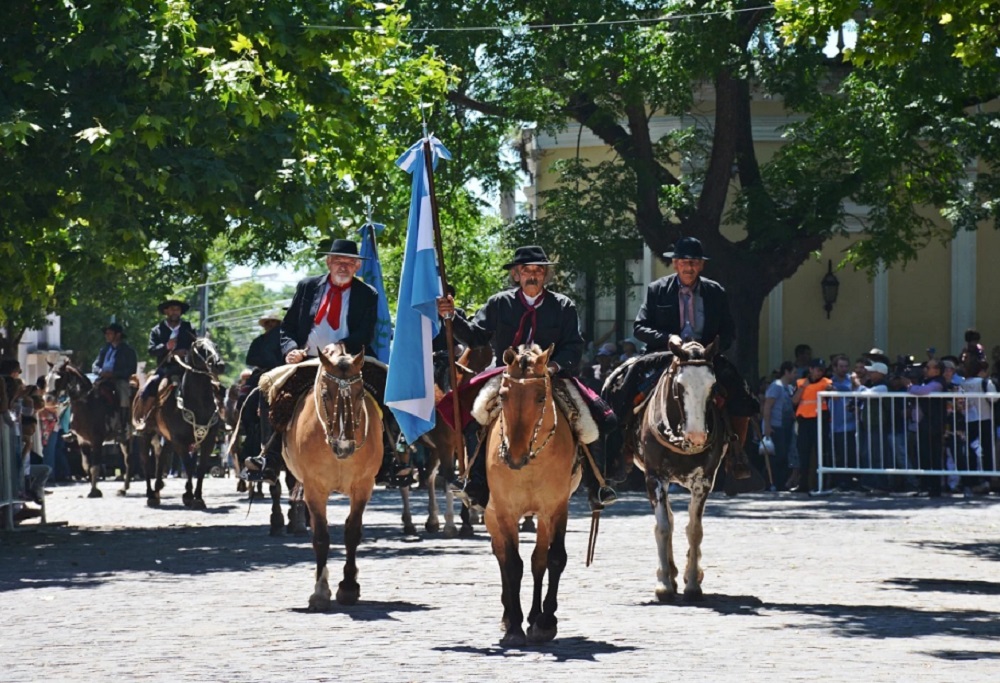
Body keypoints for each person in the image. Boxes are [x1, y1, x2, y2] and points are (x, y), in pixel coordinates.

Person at [436, 245, 616, 508]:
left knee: (591, 417)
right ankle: (475, 483)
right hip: (507, 376)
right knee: (476, 414)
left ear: (545, 275)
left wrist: (553, 367)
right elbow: (476, 336)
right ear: (516, 275)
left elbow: (573, 346)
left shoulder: (563, 306)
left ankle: (596, 485)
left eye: (538, 270)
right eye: (526, 270)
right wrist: (451, 316)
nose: (533, 275)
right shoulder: (499, 303)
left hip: (551, 375)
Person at [244, 239, 379, 484]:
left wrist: (341, 345)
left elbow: (366, 333)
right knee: (266, 387)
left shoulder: (367, 294)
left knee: (387, 387)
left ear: (357, 266)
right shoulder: (307, 287)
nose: (343, 266)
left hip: (350, 360)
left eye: (349, 262)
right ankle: (270, 457)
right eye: (338, 261)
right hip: (308, 360)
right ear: (328, 262)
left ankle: (391, 456)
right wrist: (291, 350)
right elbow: (288, 328)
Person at [631, 236, 760, 487]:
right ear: (675, 264)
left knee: (742, 395)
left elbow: (729, 332)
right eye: (683, 262)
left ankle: (737, 454)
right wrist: (669, 339)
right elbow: (640, 327)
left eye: (694, 262)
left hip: (705, 359)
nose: (688, 267)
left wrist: (710, 348)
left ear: (701, 266)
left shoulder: (715, 292)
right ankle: (618, 453)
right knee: (626, 386)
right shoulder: (657, 289)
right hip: (666, 355)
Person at [135, 300, 197, 425]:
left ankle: (216, 417)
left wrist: (186, 352)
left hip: (186, 369)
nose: (175, 312)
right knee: (150, 387)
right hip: (165, 369)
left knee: (208, 385)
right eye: (172, 309)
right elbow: (151, 350)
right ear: (166, 311)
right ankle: (145, 418)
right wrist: (166, 347)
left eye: (177, 310)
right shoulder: (157, 330)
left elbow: (196, 347)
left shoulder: (189, 328)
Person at [91, 322, 139, 440]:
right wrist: (100, 371)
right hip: (102, 379)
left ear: (118, 335)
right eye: (106, 333)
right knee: (85, 392)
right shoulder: (104, 349)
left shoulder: (128, 351)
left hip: (119, 380)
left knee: (123, 395)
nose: (106, 336)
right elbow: (95, 365)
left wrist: (114, 374)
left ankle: (124, 426)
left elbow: (131, 369)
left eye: (109, 333)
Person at [792, 358, 832, 493]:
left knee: (822, 453)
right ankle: (803, 484)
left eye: (822, 370)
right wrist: (804, 387)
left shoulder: (826, 382)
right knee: (804, 454)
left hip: (820, 421)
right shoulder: (801, 383)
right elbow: (795, 400)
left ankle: (823, 484)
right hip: (804, 421)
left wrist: (830, 389)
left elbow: (834, 393)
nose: (820, 372)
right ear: (810, 369)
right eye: (817, 369)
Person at [762, 361, 796, 490]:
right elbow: (768, 406)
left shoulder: (789, 387)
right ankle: (771, 483)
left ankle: (781, 483)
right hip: (775, 425)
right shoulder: (776, 386)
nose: (795, 375)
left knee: (784, 456)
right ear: (786, 372)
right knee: (777, 456)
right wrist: (767, 426)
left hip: (786, 425)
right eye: (793, 372)